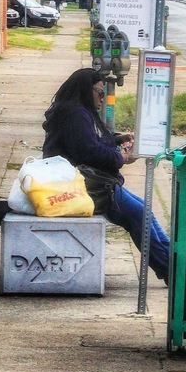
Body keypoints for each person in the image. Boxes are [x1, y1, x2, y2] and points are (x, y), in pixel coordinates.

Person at [42, 68, 171, 282]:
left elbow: (91, 139)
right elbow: (89, 151)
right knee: (138, 214)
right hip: (83, 186)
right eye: (99, 92)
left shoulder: (76, 110)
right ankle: (169, 270)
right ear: (86, 90)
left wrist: (117, 139)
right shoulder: (75, 114)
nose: (102, 97)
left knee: (143, 210)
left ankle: (174, 263)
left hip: (88, 181)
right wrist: (122, 159)